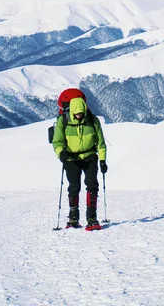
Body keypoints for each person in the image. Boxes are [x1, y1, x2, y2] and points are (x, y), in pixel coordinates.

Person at [52, 94, 107, 229]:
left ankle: (91, 217)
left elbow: (101, 143)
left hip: (89, 155)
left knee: (92, 184)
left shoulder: (93, 120)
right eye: (76, 114)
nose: (79, 116)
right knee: (74, 186)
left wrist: (102, 160)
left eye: (81, 113)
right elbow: (57, 141)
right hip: (71, 158)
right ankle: (73, 218)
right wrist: (61, 153)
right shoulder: (63, 121)